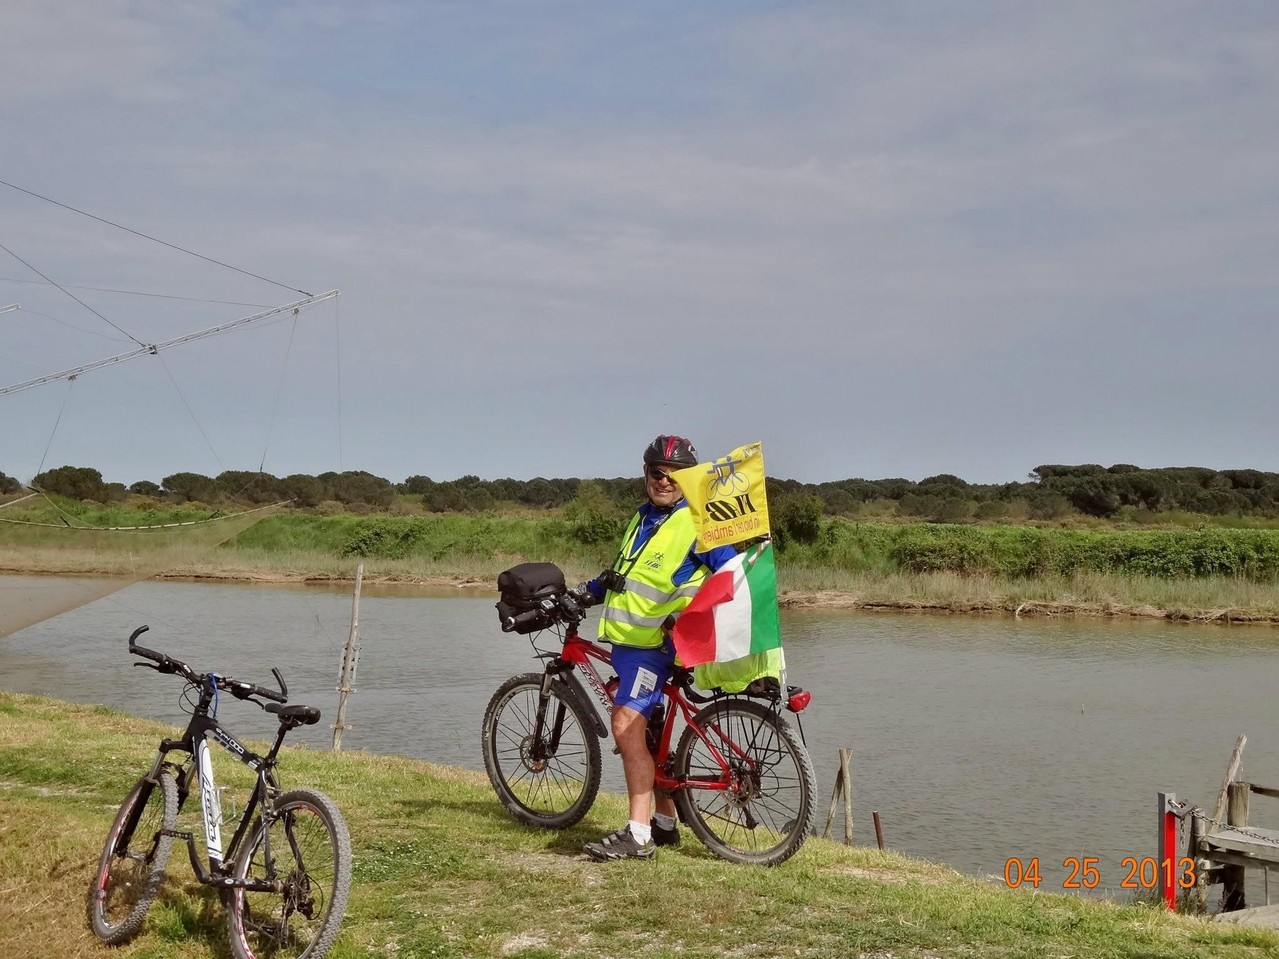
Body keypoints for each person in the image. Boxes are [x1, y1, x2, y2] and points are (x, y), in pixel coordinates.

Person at [578, 434, 737, 861]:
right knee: (648, 734)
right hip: (632, 643)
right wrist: (587, 592)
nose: (664, 481)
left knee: (626, 724)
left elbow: (730, 578)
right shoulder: (644, 517)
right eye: (656, 473)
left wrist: (686, 620)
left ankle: (638, 834)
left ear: (690, 478)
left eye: (675, 475)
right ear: (645, 473)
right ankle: (664, 823)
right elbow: (624, 572)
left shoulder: (699, 523)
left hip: (657, 646)